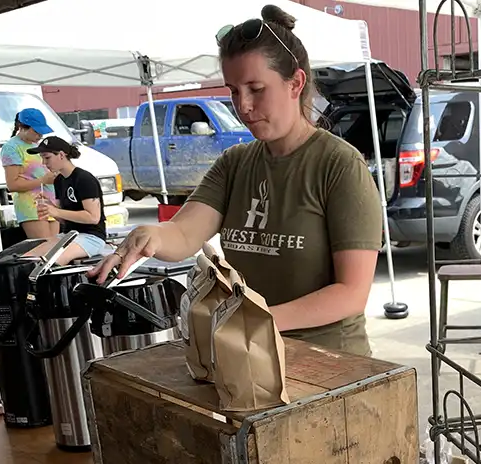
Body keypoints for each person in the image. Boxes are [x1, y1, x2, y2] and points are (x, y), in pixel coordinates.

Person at [89, 4, 382, 357]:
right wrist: (148, 235)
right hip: (254, 357)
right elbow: (183, 234)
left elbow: (351, 293)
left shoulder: (338, 165)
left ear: (296, 83)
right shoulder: (236, 163)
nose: (243, 105)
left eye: (256, 88)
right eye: (233, 90)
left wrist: (255, 320)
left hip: (332, 363)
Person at [23, 136, 113, 266]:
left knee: (49, 263)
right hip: (69, 234)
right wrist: (51, 208)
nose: (44, 163)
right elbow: (64, 220)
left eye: (47, 157)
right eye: (42, 158)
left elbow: (93, 217)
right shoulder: (59, 180)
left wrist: (56, 211)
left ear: (61, 155)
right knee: (27, 260)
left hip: (91, 237)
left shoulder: (84, 179)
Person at [0, 108, 60, 239]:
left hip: (50, 201)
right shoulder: (12, 148)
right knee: (44, 247)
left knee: (56, 248)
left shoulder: (38, 145)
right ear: (21, 127)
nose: (39, 135)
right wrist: (43, 180)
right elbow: (13, 185)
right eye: (36, 131)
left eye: (41, 132)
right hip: (31, 206)